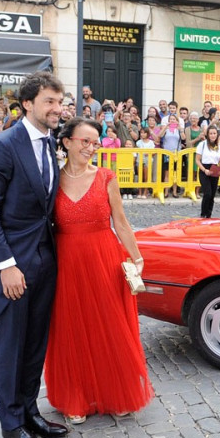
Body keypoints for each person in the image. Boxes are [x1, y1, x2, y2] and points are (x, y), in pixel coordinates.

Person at [0, 71, 69, 438]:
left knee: (35, 344)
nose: (57, 109)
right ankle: (11, 424)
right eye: (49, 101)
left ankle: (30, 411)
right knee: (12, 346)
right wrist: (5, 266)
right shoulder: (2, 146)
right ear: (27, 104)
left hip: (45, 260)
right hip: (13, 264)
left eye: (60, 102)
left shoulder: (50, 144)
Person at [43, 117, 152, 422]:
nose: (91, 148)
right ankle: (77, 396)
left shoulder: (106, 177)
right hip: (67, 261)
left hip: (104, 258)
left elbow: (120, 221)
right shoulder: (51, 178)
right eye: (85, 142)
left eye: (95, 143)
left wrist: (137, 258)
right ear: (66, 142)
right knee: (72, 327)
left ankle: (114, 392)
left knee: (109, 325)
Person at [196, 125, 220, 218]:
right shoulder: (202, 144)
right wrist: (204, 170)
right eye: (211, 133)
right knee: (207, 193)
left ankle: (209, 214)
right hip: (204, 169)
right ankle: (203, 214)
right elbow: (197, 160)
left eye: (214, 133)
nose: (213, 135)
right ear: (208, 134)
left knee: (212, 194)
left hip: (214, 170)